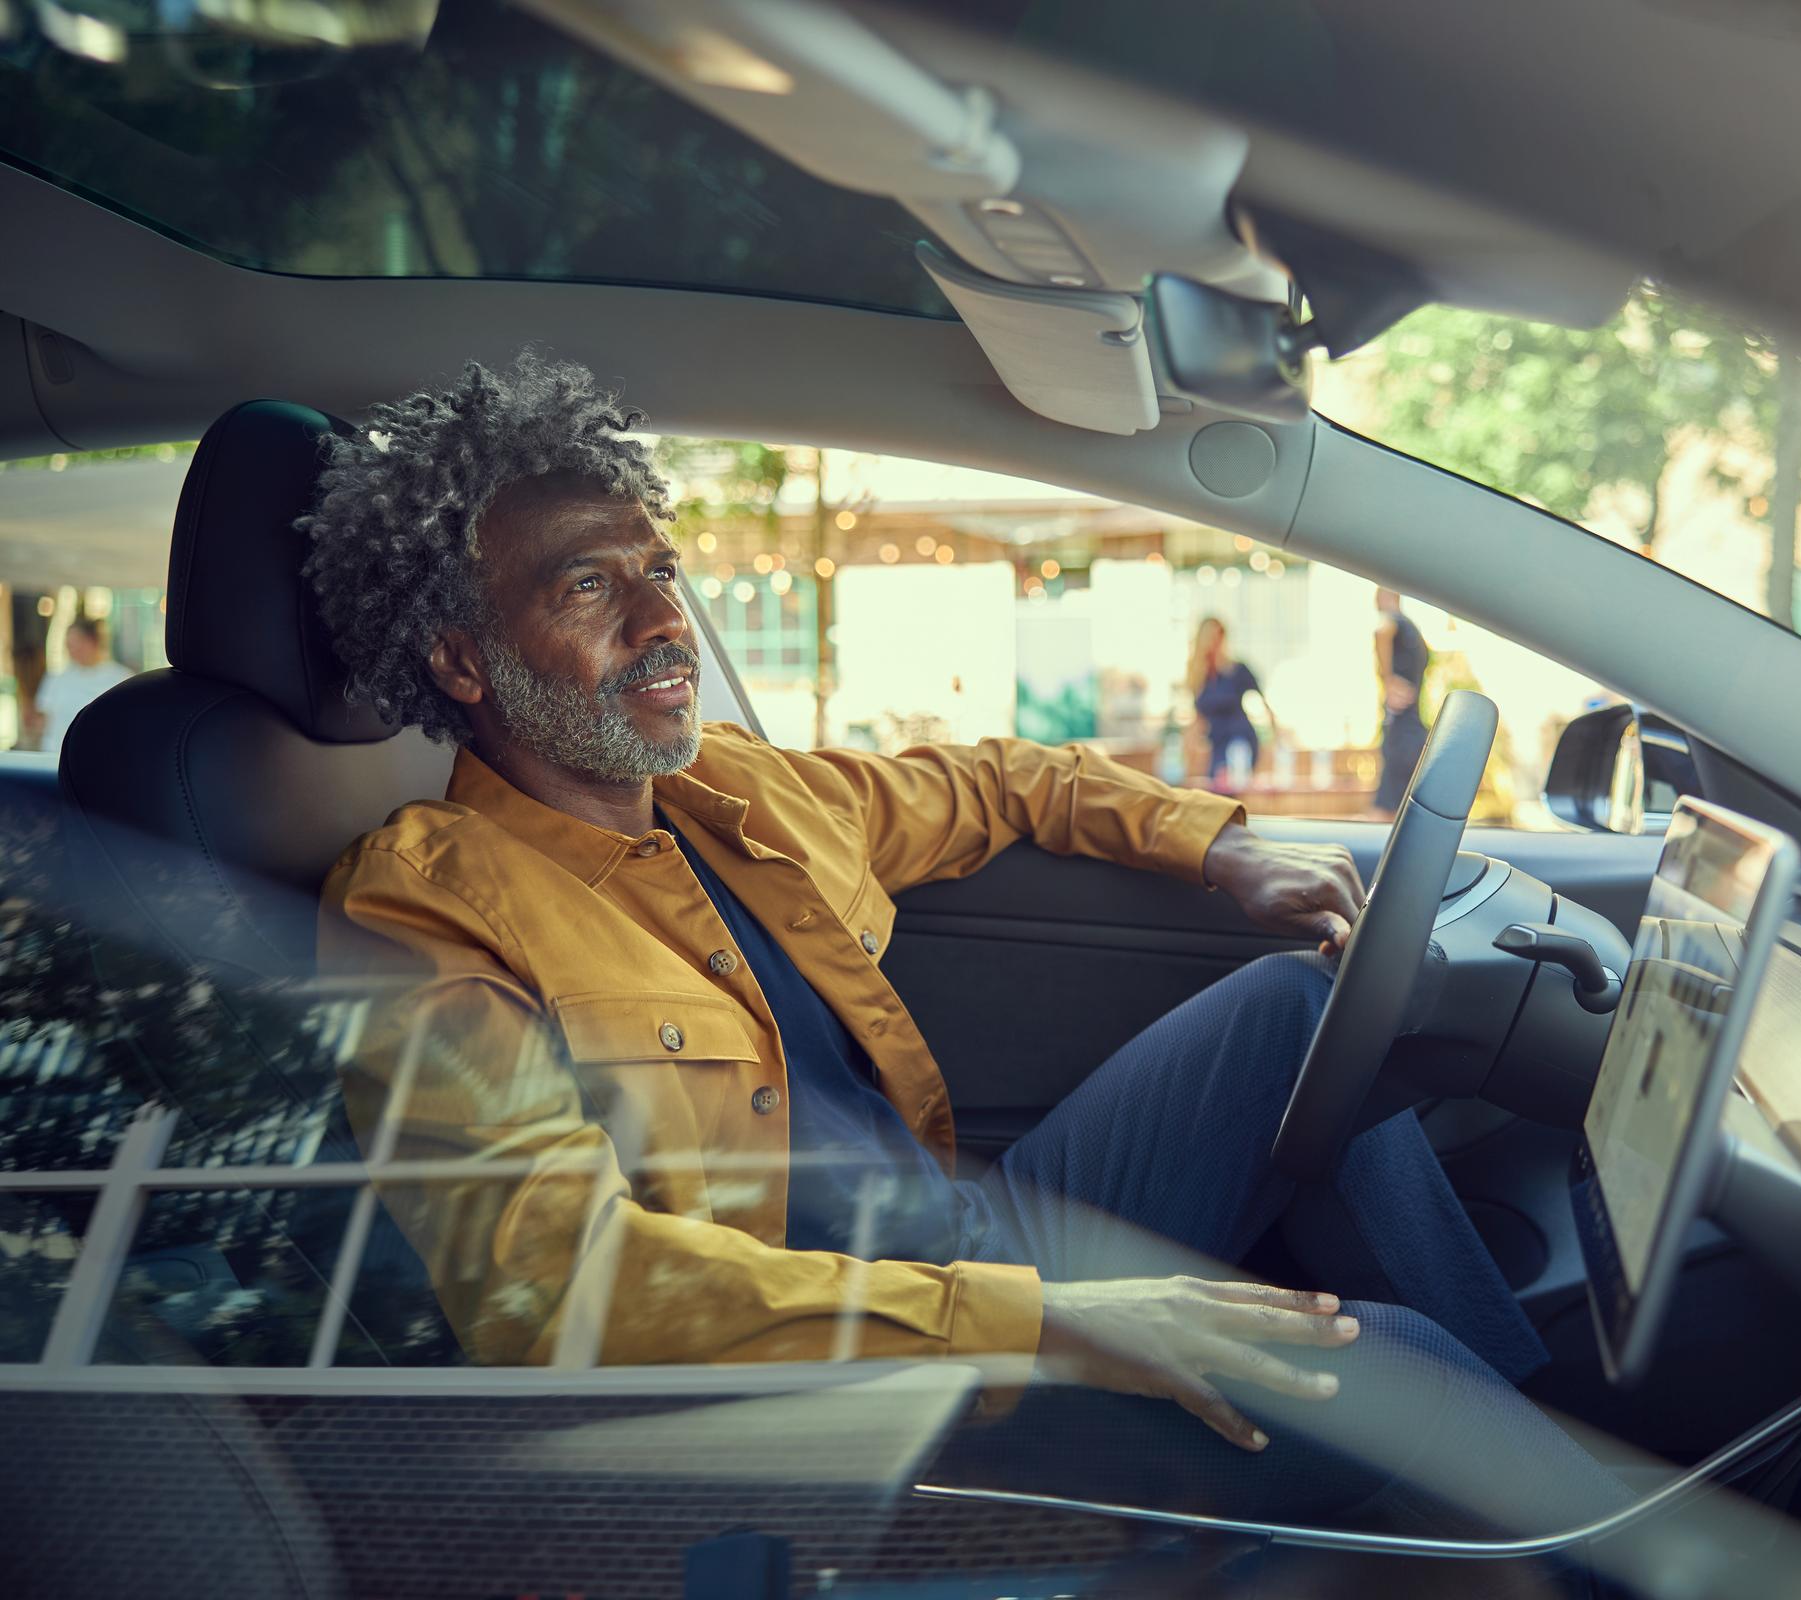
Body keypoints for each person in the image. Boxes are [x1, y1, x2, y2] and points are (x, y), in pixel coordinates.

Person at [305, 355, 1634, 1551]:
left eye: (658, 568)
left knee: (1302, 1003)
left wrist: (1216, 845)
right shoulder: (424, 913)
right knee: (1386, 1363)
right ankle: (1602, 1541)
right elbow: (555, 1286)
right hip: (858, 1386)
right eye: (590, 585)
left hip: (985, 1231)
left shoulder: (736, 793)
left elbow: (1003, 784)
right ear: (463, 662)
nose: (664, 620)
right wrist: (1043, 1322)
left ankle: (1531, 1470)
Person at [1185, 615, 1277, 791]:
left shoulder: (1238, 670)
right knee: (1215, 788)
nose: (1216, 642)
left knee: (1229, 784)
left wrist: (1272, 744)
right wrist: (1187, 749)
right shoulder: (1198, 676)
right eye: (1211, 637)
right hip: (1217, 744)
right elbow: (1198, 719)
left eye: (1220, 636)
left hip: (1239, 741)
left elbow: (1266, 708)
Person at [30, 617, 133, 753]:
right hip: (55, 757)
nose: (72, 650)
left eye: (77, 644)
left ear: (94, 642)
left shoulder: (121, 678)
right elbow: (41, 717)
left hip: (101, 758)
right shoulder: (56, 678)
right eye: (69, 645)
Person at [1371, 586, 1429, 818]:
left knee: (1386, 808)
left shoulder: (1395, 621)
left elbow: (1381, 633)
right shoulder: (1411, 629)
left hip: (1402, 729)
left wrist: (1388, 681)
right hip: (1408, 725)